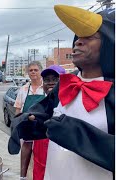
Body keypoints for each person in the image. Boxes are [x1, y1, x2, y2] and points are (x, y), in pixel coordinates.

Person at [9, 5, 114, 180]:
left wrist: (76, 133)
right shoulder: (66, 84)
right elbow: (44, 117)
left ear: (110, 44)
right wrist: (27, 123)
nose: (78, 42)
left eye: (89, 37)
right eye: (78, 37)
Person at [32, 65, 66, 180]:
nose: (51, 83)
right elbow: (28, 144)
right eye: (47, 80)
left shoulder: (70, 107)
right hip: (40, 171)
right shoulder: (37, 108)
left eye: (55, 79)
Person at [14, 61, 44, 179]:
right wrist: (17, 124)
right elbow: (17, 109)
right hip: (26, 127)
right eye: (31, 70)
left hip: (41, 128)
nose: (33, 72)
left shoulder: (45, 88)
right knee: (25, 153)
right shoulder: (24, 89)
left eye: (35, 70)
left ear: (40, 71)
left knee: (40, 156)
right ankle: (23, 177)